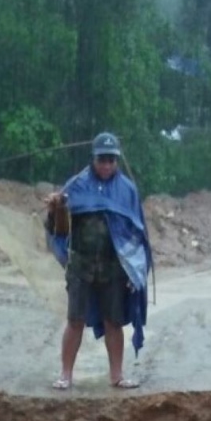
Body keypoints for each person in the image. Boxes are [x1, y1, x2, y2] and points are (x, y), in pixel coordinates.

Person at [46, 132, 153, 391]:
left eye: (111, 160)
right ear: (93, 158)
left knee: (113, 322)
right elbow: (58, 230)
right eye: (101, 160)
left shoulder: (127, 190)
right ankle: (66, 375)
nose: (106, 165)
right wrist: (55, 209)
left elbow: (138, 234)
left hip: (114, 267)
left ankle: (117, 375)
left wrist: (135, 271)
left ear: (117, 160)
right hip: (81, 265)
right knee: (75, 321)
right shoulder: (76, 185)